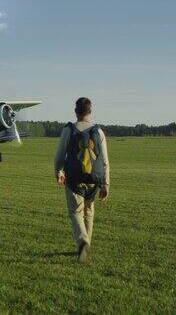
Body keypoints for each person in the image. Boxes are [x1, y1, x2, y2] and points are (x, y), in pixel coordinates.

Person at [54, 97, 110, 263]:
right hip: (94, 180)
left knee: (75, 212)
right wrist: (106, 185)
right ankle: (86, 245)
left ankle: (82, 242)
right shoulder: (98, 132)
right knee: (89, 211)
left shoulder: (68, 130)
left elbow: (59, 156)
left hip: (74, 179)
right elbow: (105, 161)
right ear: (90, 111)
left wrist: (58, 172)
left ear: (75, 112)